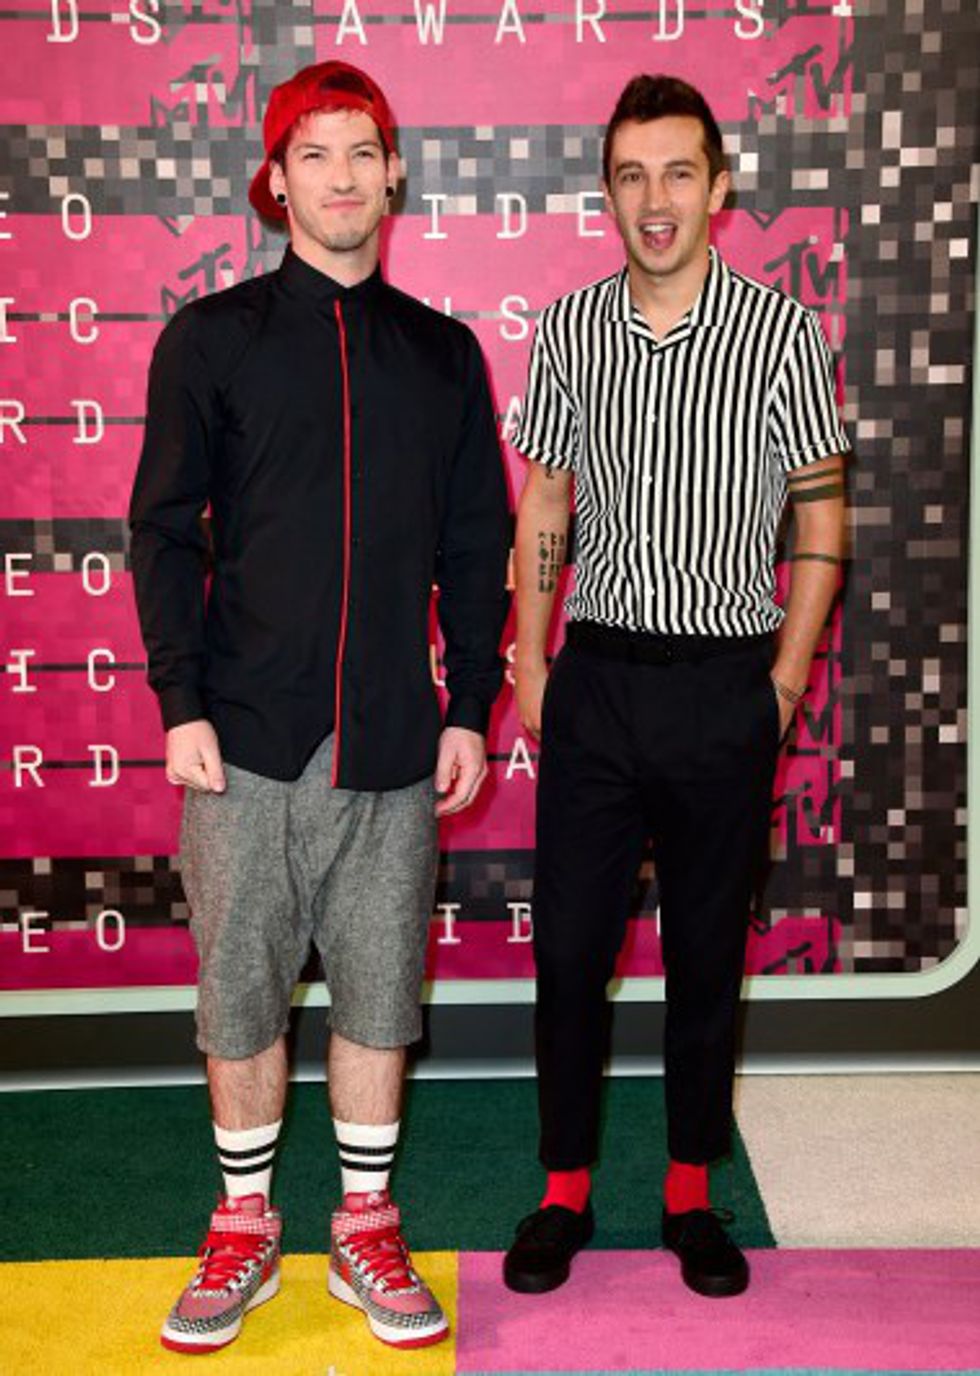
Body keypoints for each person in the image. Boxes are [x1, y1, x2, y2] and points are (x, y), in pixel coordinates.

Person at [129, 60, 509, 1354]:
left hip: (394, 742)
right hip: (241, 740)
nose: (341, 176)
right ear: (276, 181)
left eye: (362, 152)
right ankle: (242, 1225)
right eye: (315, 153)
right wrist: (180, 698)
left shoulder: (443, 356)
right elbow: (163, 531)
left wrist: (471, 702)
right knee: (239, 995)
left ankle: (363, 1225)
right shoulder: (211, 339)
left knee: (379, 996)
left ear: (393, 174)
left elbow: (476, 543)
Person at [502, 74, 848, 1299]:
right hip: (594, 681)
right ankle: (563, 1189)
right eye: (631, 175)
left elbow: (820, 514)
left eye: (678, 173)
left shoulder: (780, 334)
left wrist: (783, 682)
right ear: (607, 192)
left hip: (722, 688)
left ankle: (690, 1192)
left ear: (718, 186)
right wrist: (530, 659)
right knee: (568, 956)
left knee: (705, 956)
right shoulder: (570, 330)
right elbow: (545, 497)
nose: (655, 199)